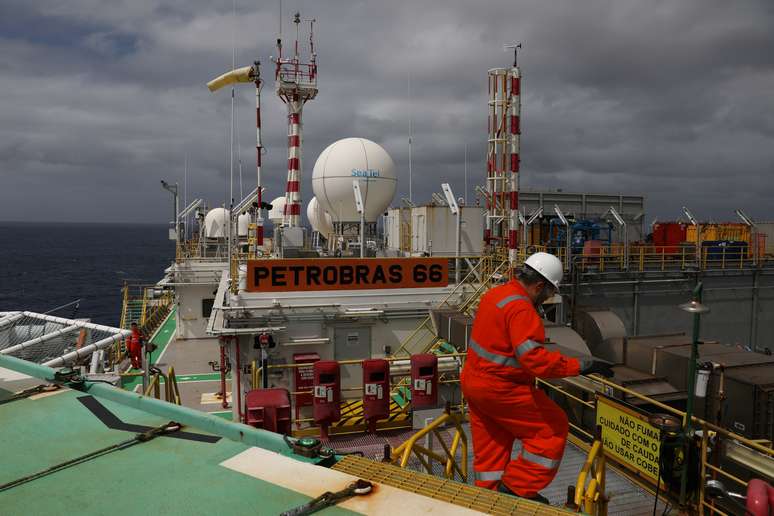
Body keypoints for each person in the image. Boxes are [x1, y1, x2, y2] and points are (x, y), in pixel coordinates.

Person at [461, 252, 614, 504]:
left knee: (492, 450)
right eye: (549, 292)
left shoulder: (495, 295)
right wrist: (581, 365)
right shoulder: (522, 309)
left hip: (474, 384)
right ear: (540, 285)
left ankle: (488, 500)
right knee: (552, 429)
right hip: (501, 388)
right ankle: (516, 488)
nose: (548, 298)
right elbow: (535, 361)